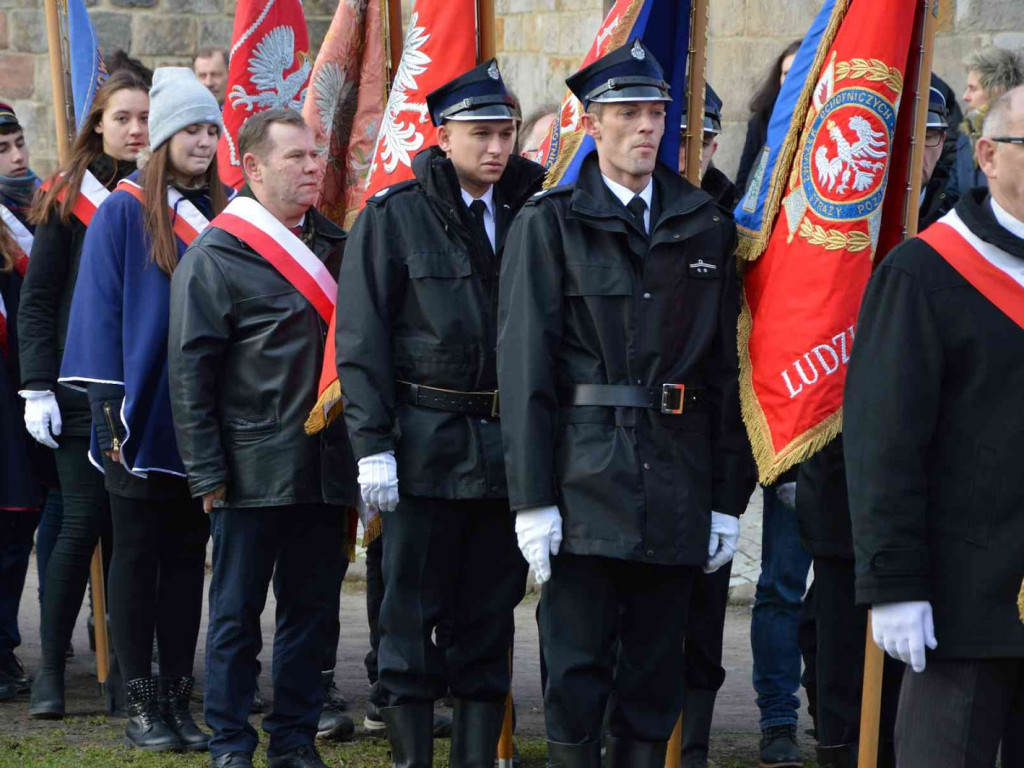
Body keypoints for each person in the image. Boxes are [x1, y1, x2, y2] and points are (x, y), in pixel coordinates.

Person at [498, 39, 753, 764]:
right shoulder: (550, 224)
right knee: (576, 672)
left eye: (657, 115)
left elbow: (725, 372)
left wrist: (727, 498)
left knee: (653, 676)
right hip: (583, 477)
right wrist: (531, 499)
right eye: (630, 114)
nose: (647, 128)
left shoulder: (704, 222)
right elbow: (524, 369)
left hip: (676, 473)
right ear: (592, 124)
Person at [335, 58, 540, 766]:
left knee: (488, 623)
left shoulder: (534, 210)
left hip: (506, 455)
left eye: (506, 133)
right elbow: (360, 339)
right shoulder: (395, 217)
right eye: (481, 134)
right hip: (424, 450)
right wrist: (372, 445)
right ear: (443, 136)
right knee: (410, 622)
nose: (496, 149)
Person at [169, 107, 358, 768]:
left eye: (314, 156)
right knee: (236, 618)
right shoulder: (219, 253)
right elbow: (191, 372)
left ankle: (295, 740)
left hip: (326, 466)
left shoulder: (337, 244)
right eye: (295, 158)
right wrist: (206, 472)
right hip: (249, 469)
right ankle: (229, 743)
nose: (312, 168)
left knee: (313, 616)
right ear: (251, 167)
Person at [845, 85, 1024, 767]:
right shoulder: (926, 272)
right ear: (988, 155)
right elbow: (884, 440)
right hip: (961, 600)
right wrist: (892, 583)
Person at [58, 67, 224, 752]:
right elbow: (96, 315)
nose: (205, 140)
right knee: (136, 556)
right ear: (161, 136)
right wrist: (106, 417)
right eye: (191, 128)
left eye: (212, 129)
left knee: (188, 559)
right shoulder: (125, 211)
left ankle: (178, 698)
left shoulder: (224, 209)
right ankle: (140, 704)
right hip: (136, 416)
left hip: (200, 415)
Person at [19, 69, 150, 719]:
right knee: (80, 524)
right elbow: (39, 299)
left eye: (144, 117)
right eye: (122, 117)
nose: (135, 129)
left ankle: (126, 671)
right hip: (76, 386)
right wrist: (35, 385)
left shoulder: (168, 196)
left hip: (145, 388)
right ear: (98, 123)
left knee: (133, 532)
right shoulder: (70, 195)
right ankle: (51, 669)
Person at [0, 101, 50, 702]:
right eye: (3, 149)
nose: (15, 157)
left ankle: (4, 644)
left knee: (14, 528)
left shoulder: (34, 215)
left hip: (16, 394)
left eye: (17, 144)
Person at [735, 40, 801, 194]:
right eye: (785, 73)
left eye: (796, 73)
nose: (789, 80)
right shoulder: (763, 117)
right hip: (764, 202)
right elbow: (746, 174)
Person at [958, 47, 1024, 193]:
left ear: (997, 91)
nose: (965, 96)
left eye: (972, 89)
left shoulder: (1017, 139)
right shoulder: (966, 136)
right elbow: (952, 192)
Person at [678, 83, 738, 209]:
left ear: (713, 149)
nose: (686, 157)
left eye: (702, 144)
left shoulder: (727, 199)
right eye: (679, 142)